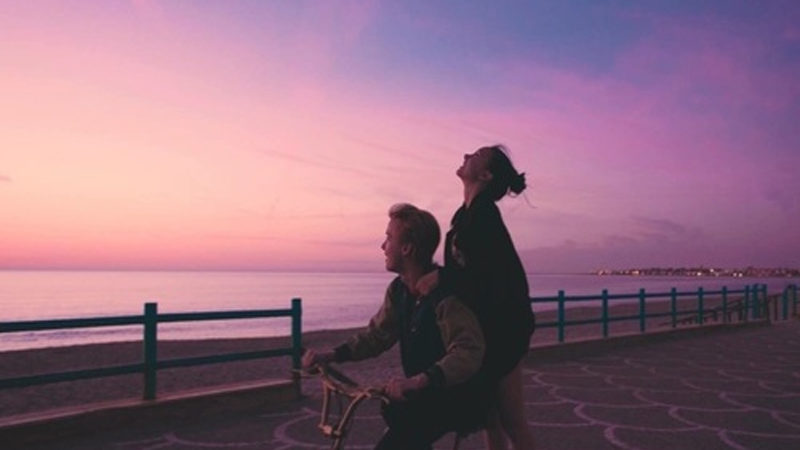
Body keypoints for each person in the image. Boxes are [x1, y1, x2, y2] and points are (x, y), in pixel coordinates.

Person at [303, 203, 491, 450]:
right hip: (419, 398)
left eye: (389, 238)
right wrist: (331, 355)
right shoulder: (399, 290)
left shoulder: (444, 294)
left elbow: (468, 351)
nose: (383, 246)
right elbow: (378, 335)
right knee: (396, 415)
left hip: (453, 397)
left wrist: (421, 380)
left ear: (406, 248)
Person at [417, 145, 536, 449]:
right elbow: (469, 272)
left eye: (478, 155)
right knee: (491, 418)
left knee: (512, 421)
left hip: (505, 330)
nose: (467, 154)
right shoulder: (465, 215)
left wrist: (441, 277)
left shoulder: (484, 215)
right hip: (487, 327)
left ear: (485, 175)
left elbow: (489, 276)